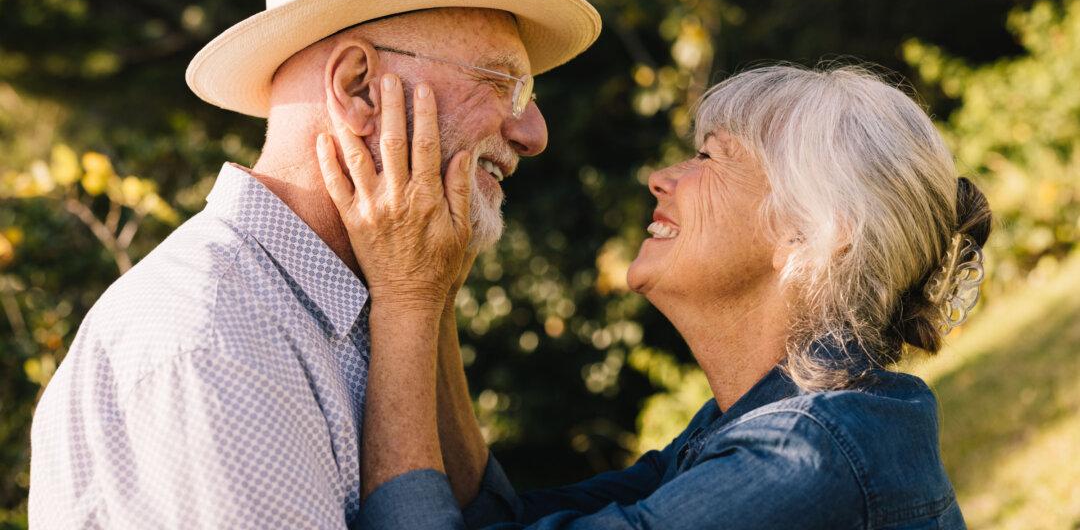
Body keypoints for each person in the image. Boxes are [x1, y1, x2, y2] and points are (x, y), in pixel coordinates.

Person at [27, 0, 601, 528]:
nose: (534, 133)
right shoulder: (218, 341)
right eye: (500, 83)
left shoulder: (341, 306)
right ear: (358, 89)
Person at [319, 64, 990, 530]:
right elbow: (495, 518)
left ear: (810, 233)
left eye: (709, 158)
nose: (662, 177)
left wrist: (406, 296)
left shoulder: (807, 455)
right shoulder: (758, 424)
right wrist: (433, 286)